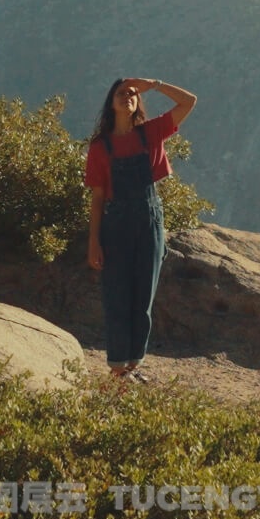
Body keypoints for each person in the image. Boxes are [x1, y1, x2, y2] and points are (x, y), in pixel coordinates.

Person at [85, 76, 196, 380]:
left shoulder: (152, 133)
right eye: (121, 93)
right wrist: (93, 242)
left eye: (133, 94)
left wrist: (155, 85)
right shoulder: (99, 147)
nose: (128, 97)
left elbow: (189, 101)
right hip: (115, 223)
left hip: (150, 219)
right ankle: (117, 367)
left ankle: (133, 366)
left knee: (143, 297)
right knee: (117, 294)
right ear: (111, 102)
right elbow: (96, 198)